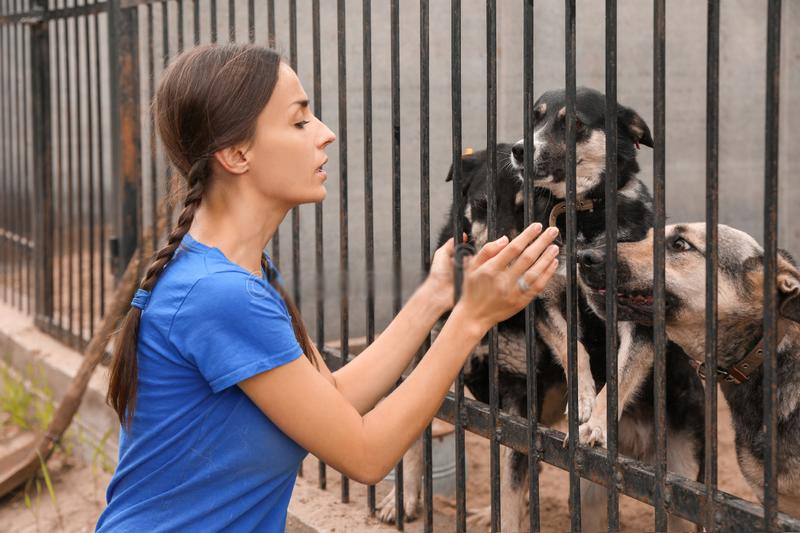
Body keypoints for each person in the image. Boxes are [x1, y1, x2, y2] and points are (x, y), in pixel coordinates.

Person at [96, 44, 560, 532]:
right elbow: (365, 453)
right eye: (300, 122)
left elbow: (336, 396)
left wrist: (437, 295)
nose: (326, 133)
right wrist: (471, 320)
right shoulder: (219, 295)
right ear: (236, 155)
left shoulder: (233, 271)